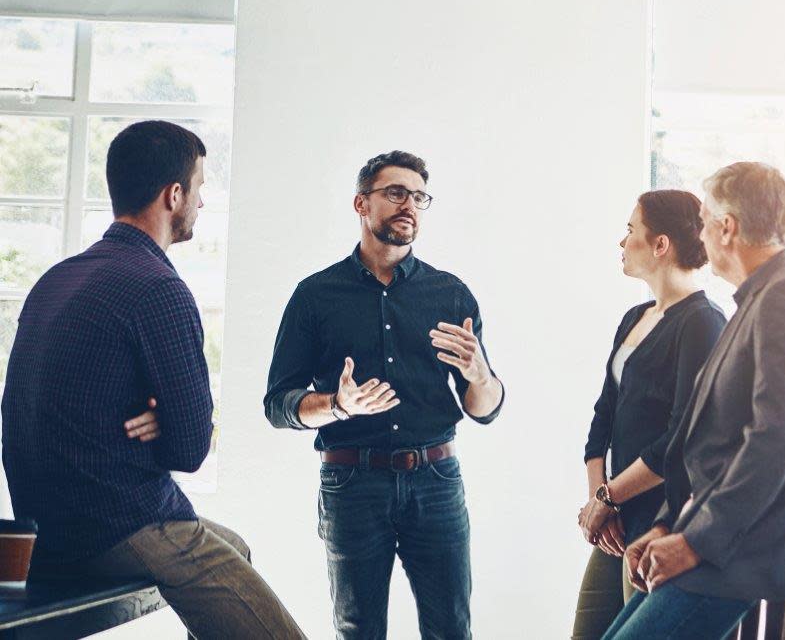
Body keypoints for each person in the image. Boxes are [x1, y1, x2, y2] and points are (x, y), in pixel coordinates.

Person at [1, 120, 305, 638]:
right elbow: (189, 450)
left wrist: (158, 413)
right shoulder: (158, 289)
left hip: (43, 523)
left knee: (237, 546)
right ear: (174, 194)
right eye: (201, 189)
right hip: (116, 527)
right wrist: (169, 418)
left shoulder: (60, 276)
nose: (202, 204)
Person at [602, 162, 785, 640]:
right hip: (730, 538)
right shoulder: (762, 298)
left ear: (728, 228)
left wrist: (695, 542)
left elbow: (773, 442)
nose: (698, 235)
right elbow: (711, 442)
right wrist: (668, 527)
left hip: (755, 545)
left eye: (704, 221)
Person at [264, 150, 504, 639]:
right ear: (361, 203)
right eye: (395, 193)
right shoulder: (315, 295)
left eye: (419, 197)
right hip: (352, 484)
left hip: (436, 481)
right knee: (357, 630)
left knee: (451, 629)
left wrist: (480, 374)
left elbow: (484, 408)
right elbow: (278, 404)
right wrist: (335, 405)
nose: (409, 205)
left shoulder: (450, 293)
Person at [572, 190, 726, 639]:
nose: (622, 242)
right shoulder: (634, 316)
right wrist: (601, 504)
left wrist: (608, 498)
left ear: (660, 245)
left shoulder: (703, 322)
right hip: (615, 521)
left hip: (659, 520)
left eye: (630, 231)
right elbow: (604, 417)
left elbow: (681, 438)